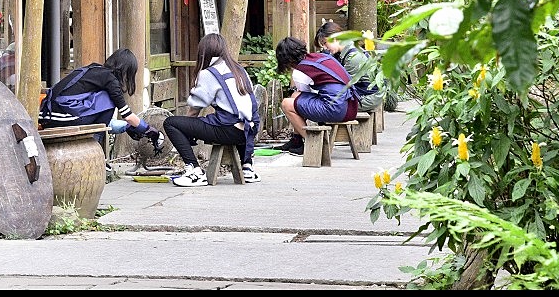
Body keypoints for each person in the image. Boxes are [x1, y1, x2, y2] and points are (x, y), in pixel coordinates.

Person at [162, 33, 261, 186]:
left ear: (204, 52)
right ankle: (247, 167)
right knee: (236, 117)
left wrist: (186, 133)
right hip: (250, 130)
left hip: (229, 130)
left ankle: (194, 171)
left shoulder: (209, 73)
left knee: (171, 123)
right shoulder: (239, 70)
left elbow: (194, 109)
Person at [38, 48, 164, 152]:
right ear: (126, 70)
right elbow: (127, 115)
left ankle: (116, 133)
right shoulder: (110, 79)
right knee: (109, 100)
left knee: (105, 101)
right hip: (62, 117)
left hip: (46, 116)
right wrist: (149, 130)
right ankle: (96, 148)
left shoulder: (94, 69)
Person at [274, 35, 372, 155]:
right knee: (295, 98)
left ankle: (312, 143)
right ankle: (296, 140)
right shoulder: (319, 57)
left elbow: (304, 95)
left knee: (287, 103)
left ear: (286, 60)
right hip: (351, 106)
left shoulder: (300, 71)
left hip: (336, 109)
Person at [314, 20, 384, 113]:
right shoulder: (340, 53)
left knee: (326, 104)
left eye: (325, 43)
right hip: (358, 92)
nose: (325, 48)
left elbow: (342, 85)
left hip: (367, 97)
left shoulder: (353, 57)